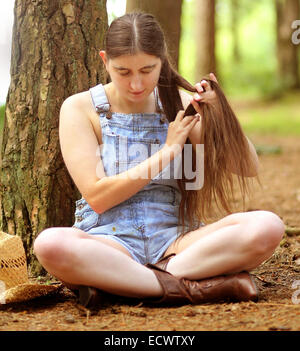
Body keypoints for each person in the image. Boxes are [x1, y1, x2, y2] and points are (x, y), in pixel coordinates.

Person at [34, 12, 284, 307]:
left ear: (162, 61)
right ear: (105, 61)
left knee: (267, 226)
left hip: (178, 242)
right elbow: (98, 197)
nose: (137, 83)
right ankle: (196, 288)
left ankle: (126, 284)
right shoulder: (80, 108)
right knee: (50, 245)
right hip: (108, 242)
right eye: (123, 71)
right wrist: (166, 153)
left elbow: (248, 167)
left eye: (147, 69)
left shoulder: (180, 105)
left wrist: (221, 114)